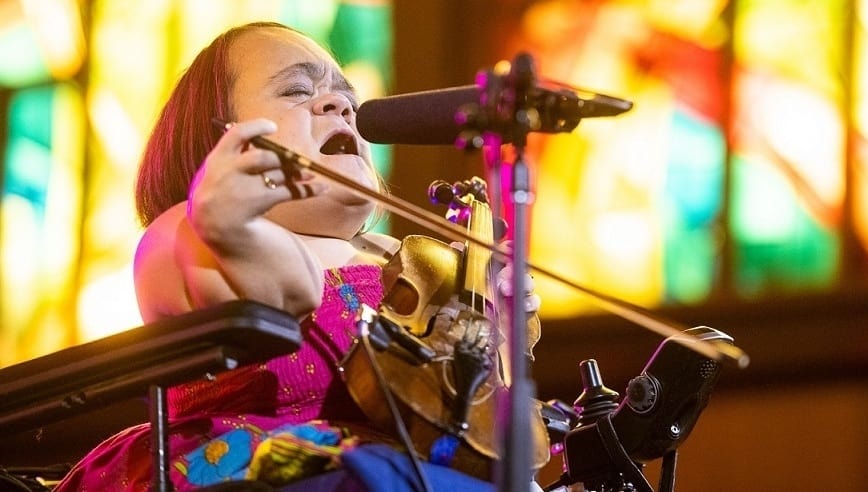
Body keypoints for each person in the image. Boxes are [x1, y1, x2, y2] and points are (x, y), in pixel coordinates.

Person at [55, 21, 544, 491]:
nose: (343, 105)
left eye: (347, 96)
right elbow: (286, 295)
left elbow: (474, 424)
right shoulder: (187, 224)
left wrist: (492, 329)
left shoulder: (407, 261)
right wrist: (231, 227)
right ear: (220, 136)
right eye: (296, 91)